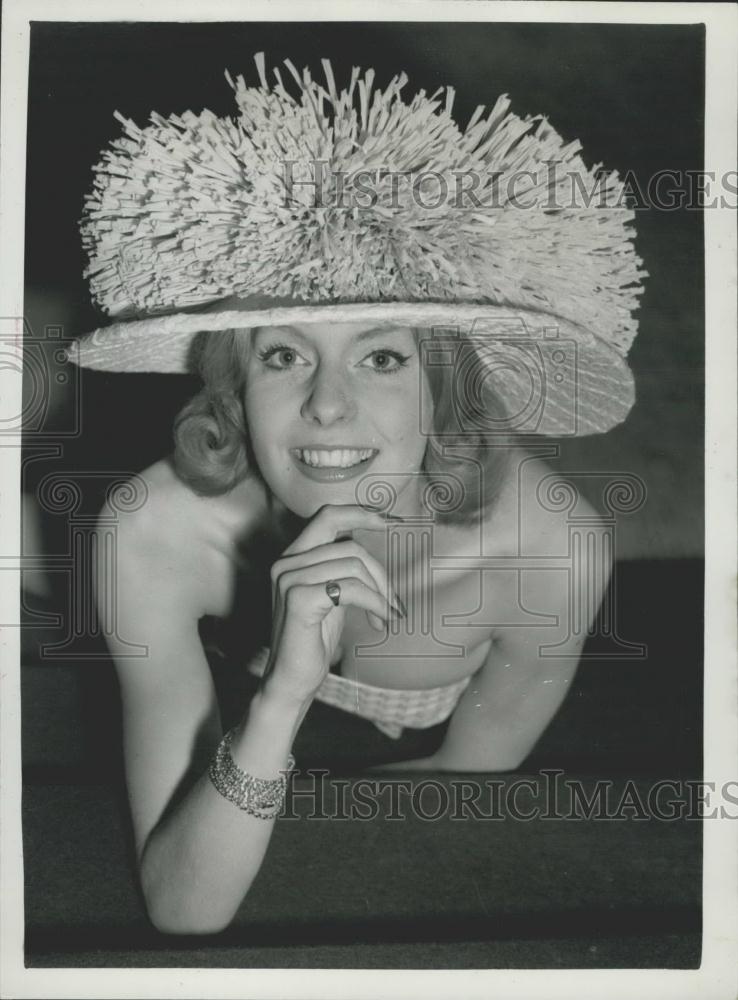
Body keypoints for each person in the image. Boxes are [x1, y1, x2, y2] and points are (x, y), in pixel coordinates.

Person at [72, 54, 645, 933]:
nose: (327, 407)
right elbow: (184, 910)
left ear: (444, 387)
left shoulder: (552, 550)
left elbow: (471, 779)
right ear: (234, 387)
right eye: (283, 355)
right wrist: (277, 708)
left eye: (382, 357)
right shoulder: (151, 531)